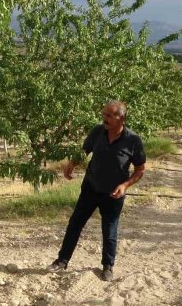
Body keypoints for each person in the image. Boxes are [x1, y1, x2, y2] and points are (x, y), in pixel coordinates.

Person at [47, 100, 146, 281]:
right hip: (90, 187)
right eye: (104, 114)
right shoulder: (98, 132)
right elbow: (84, 150)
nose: (105, 119)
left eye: (109, 115)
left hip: (113, 193)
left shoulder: (133, 141)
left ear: (122, 118)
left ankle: (108, 266)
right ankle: (62, 260)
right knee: (75, 223)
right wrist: (72, 164)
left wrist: (125, 185)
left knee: (109, 230)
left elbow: (140, 170)